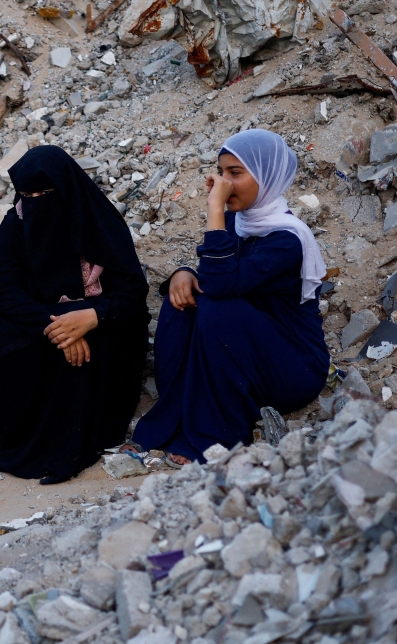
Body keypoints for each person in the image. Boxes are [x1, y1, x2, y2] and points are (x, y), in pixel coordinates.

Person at [131, 129, 330, 465]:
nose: (223, 183)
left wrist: (214, 210)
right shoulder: (241, 222)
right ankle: (175, 416)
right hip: (245, 353)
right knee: (182, 301)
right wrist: (185, 272)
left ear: (266, 177)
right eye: (221, 172)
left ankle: (214, 435)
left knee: (214, 307)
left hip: (291, 369)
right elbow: (215, 277)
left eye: (235, 173)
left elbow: (222, 286)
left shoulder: (287, 239)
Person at [0, 145, 150, 485]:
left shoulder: (98, 222)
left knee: (96, 347)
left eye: (45, 193)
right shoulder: (17, 223)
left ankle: (71, 447)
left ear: (66, 189)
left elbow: (131, 294)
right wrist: (60, 327)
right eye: (28, 193)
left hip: (99, 319)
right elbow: (7, 292)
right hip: (42, 319)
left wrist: (90, 317)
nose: (36, 201)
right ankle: (24, 436)